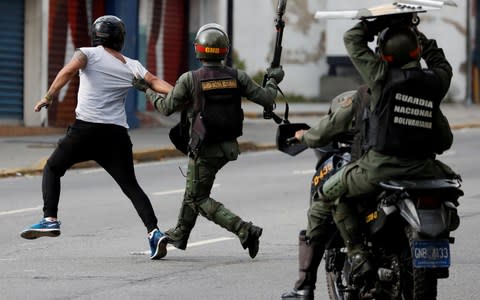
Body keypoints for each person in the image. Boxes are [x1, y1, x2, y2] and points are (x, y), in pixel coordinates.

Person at [314, 17, 458, 283]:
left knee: (329, 192)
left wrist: (380, 21)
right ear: (416, 51)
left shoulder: (380, 78)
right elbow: (441, 63)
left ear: (384, 55)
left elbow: (352, 40)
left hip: (380, 169)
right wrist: (418, 35)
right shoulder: (435, 82)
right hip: (425, 169)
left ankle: (357, 254)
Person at [20, 15, 174, 260]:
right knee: (131, 186)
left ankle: (50, 219)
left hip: (86, 131)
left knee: (52, 168)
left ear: (96, 36)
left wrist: (48, 97)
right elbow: (155, 83)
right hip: (116, 136)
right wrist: (180, 93)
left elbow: (68, 71)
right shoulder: (132, 64)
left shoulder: (87, 53)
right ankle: (154, 232)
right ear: (120, 39)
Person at [133, 23, 284, 259]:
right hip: (228, 147)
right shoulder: (238, 77)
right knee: (194, 188)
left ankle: (245, 230)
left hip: (203, 147)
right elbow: (267, 98)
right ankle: (181, 234)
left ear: (198, 49)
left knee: (197, 197)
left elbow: (165, 108)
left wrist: (147, 89)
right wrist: (273, 79)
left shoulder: (190, 79)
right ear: (225, 50)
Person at [281, 86, 371, 299]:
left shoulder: (368, 93)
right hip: (421, 173)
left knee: (328, 195)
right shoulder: (425, 89)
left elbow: (329, 128)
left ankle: (306, 286)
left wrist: (304, 136)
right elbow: (444, 140)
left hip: (375, 169)